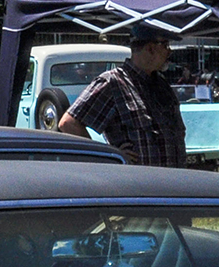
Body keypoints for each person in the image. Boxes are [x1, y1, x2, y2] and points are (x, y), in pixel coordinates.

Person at [60, 21, 186, 167]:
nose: (169, 51)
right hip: (136, 185)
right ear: (150, 48)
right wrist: (106, 155)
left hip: (174, 182)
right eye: (165, 45)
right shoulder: (112, 83)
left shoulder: (162, 85)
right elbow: (69, 123)